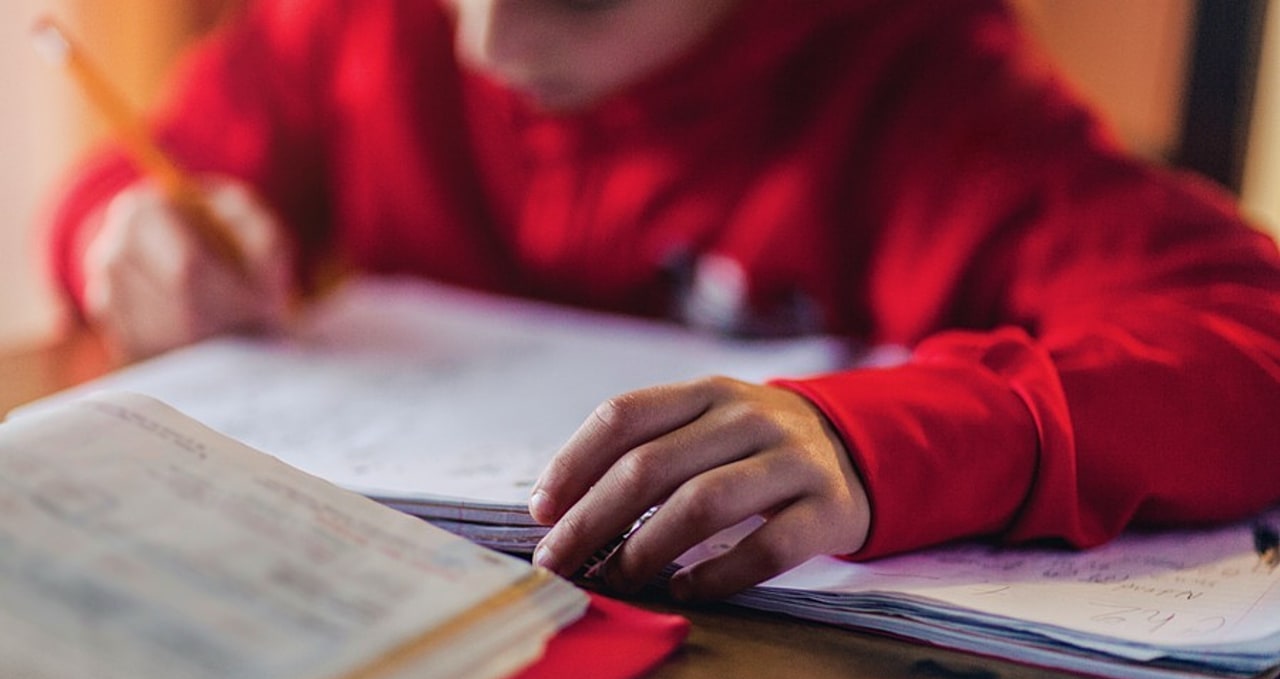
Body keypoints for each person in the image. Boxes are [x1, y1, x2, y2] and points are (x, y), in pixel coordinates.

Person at [45, 0, 1280, 602]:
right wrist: (124, 237)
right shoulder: (355, 23)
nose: (481, 40)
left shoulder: (913, 88)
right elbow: (144, 168)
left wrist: (880, 436)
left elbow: (1244, 329)